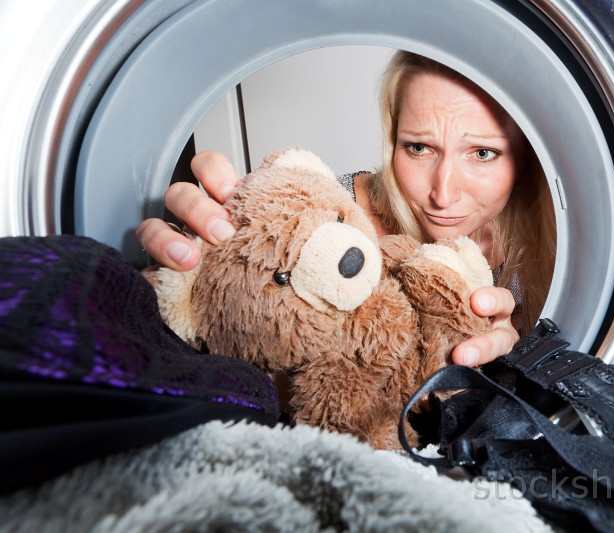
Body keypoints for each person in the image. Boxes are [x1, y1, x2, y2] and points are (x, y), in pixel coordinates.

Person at [137, 50, 556, 367]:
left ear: (527, 157)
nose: (442, 195)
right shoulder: (326, 214)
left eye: (483, 153)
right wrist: (202, 275)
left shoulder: (556, 258)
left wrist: (514, 369)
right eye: (419, 147)